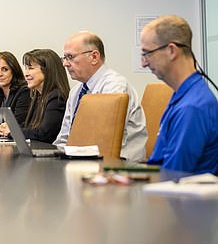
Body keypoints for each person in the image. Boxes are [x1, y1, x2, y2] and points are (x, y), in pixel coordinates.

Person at [53, 32, 147, 161]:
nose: (65, 64)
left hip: (118, 165)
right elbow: (65, 137)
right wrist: (51, 156)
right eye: (64, 57)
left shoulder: (115, 86)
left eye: (70, 57)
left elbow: (102, 141)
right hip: (86, 160)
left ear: (94, 57)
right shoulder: (76, 91)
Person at [141, 15, 218, 174]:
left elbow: (172, 176)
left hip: (181, 196)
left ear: (171, 51)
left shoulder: (192, 107)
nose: (144, 63)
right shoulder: (185, 96)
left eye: (148, 53)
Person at [0, 49, 69, 143]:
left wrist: (13, 131)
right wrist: (10, 127)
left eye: (31, 68)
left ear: (47, 70)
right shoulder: (38, 97)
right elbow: (29, 126)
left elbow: (44, 133)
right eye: (26, 68)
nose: (26, 74)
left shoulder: (56, 97)